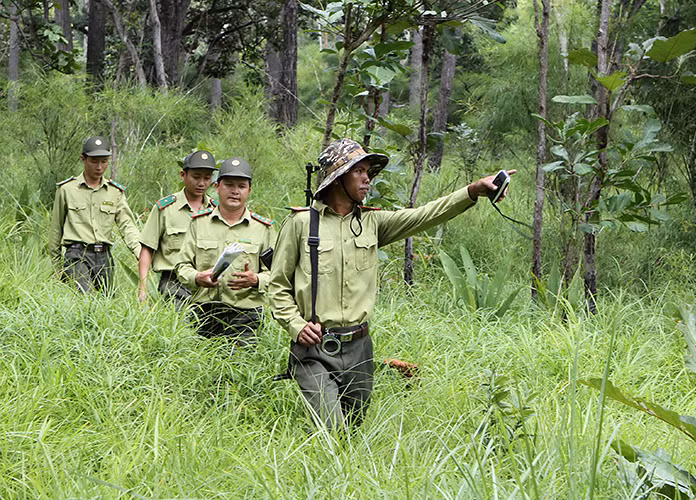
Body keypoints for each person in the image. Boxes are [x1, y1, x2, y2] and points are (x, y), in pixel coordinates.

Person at [268, 138, 514, 429]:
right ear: (337, 177)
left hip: (360, 349)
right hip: (315, 350)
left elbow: (424, 215)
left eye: (368, 172)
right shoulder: (300, 225)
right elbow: (278, 286)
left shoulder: (373, 223)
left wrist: (471, 191)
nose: (366, 178)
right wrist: (296, 325)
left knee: (352, 431)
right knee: (331, 429)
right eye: (358, 171)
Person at [175, 157, 276, 346]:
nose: (235, 191)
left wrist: (256, 280)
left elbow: (278, 275)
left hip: (246, 316)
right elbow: (181, 266)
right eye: (229, 185)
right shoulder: (199, 223)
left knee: (240, 370)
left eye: (242, 186)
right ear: (217, 186)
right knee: (201, 369)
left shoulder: (263, 228)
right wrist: (197, 277)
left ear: (249, 190)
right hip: (204, 312)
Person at [48, 135, 141, 293]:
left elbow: (127, 225)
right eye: (94, 161)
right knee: (86, 297)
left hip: (104, 257)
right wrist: (57, 268)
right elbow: (56, 230)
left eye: (104, 161)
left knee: (104, 305)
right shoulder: (67, 190)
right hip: (77, 256)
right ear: (83, 159)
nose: (99, 167)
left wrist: (140, 252)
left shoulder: (114, 192)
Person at [138, 150, 218, 304]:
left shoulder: (216, 211)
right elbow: (147, 248)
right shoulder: (166, 209)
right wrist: (143, 287)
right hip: (173, 283)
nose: (201, 183)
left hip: (207, 283)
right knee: (180, 325)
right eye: (196, 177)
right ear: (183, 175)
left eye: (207, 178)